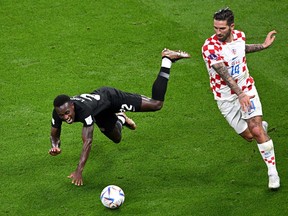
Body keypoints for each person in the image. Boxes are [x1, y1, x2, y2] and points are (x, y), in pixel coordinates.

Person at [49, 48, 190, 186]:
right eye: (62, 115)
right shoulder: (58, 112)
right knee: (117, 138)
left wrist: (79, 171)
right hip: (99, 112)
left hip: (111, 98)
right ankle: (121, 118)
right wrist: (55, 146)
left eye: (67, 113)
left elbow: (88, 141)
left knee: (156, 104)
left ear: (72, 106)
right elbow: (54, 134)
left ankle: (167, 59)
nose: (65, 117)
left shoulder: (83, 111)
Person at [201, 8, 280, 189]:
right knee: (249, 135)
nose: (217, 32)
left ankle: (272, 173)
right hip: (225, 97)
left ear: (232, 26)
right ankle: (259, 128)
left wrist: (262, 46)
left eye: (222, 29)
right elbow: (224, 74)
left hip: (246, 87)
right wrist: (240, 95)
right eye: (215, 28)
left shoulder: (240, 36)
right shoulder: (209, 47)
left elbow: (240, 50)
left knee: (257, 131)